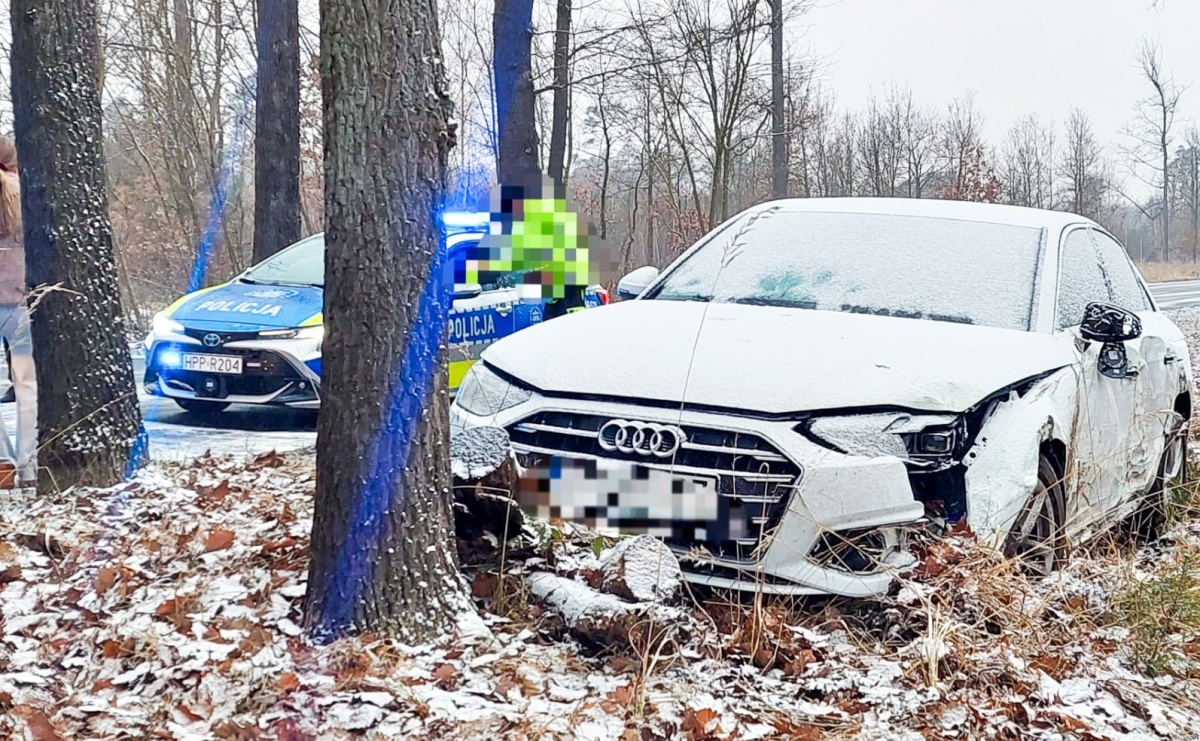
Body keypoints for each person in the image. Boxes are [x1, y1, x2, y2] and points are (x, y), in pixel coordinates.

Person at [0, 137, 37, 487]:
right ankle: (30, 466)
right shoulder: (25, 193)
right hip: (21, 301)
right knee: (26, 384)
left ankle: (2, 463)